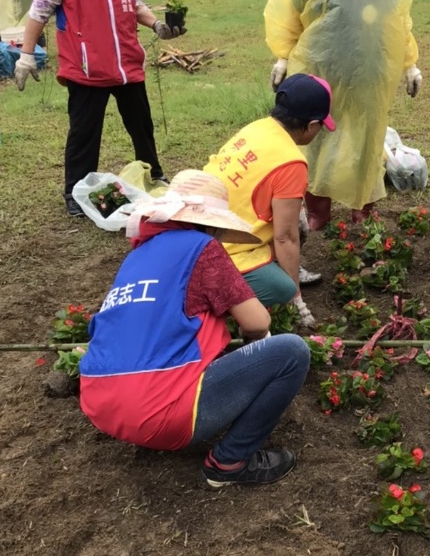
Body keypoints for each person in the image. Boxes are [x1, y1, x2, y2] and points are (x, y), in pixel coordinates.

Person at [79, 170, 310, 487]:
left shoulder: (137, 255)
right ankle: (228, 463)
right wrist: (254, 347)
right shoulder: (203, 247)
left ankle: (146, 430)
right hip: (157, 413)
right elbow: (258, 322)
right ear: (212, 222)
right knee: (291, 352)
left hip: (101, 405)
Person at [12, 0, 184, 217]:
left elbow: (133, 3)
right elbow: (40, 10)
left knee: (141, 126)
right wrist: (26, 54)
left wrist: (156, 25)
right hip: (86, 68)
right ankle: (75, 192)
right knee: (84, 133)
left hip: (126, 65)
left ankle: (154, 174)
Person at [264, 0, 421, 229]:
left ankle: (361, 206)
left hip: (370, 73)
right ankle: (318, 210)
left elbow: (399, 25)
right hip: (318, 73)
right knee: (316, 137)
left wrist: (409, 64)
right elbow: (286, 21)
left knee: (366, 137)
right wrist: (281, 58)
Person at [204, 73, 336, 329]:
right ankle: (214, 304)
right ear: (310, 125)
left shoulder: (256, 128)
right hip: (220, 252)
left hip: (201, 227)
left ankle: (269, 269)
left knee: (296, 219)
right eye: (321, 126)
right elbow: (285, 237)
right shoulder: (291, 161)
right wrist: (296, 299)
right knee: (280, 288)